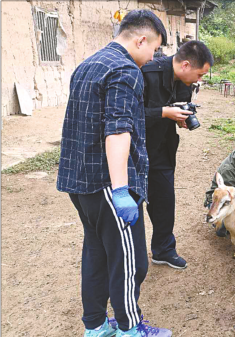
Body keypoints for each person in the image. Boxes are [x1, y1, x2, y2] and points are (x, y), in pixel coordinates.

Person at [57, 10, 172, 337]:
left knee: (96, 253)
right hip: (109, 186)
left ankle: (95, 326)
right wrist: (121, 190)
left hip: (80, 183)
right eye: (154, 50)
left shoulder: (87, 65)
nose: (153, 58)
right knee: (129, 262)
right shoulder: (125, 71)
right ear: (140, 40)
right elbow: (118, 131)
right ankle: (129, 329)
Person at [141, 41, 213, 269]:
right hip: (134, 152)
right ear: (185, 65)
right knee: (131, 208)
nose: (199, 80)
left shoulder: (185, 82)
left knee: (164, 203)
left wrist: (180, 119)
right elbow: (125, 114)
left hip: (162, 150)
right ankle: (128, 257)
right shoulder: (145, 72)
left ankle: (163, 249)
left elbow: (178, 109)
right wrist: (162, 112)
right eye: (199, 74)